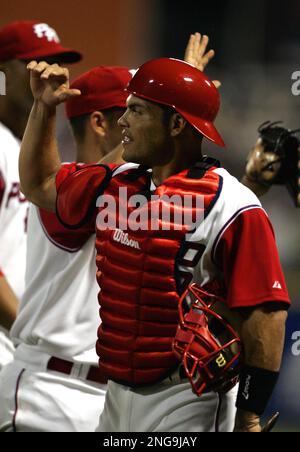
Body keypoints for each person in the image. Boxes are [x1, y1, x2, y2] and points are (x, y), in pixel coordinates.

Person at [19, 57, 290, 433]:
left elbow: (267, 314)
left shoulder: (234, 204)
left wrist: (249, 414)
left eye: (137, 111)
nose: (123, 122)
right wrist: (44, 108)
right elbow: (39, 185)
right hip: (113, 395)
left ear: (177, 124)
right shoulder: (115, 182)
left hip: (186, 397)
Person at [0, 66, 133, 432]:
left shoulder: (132, 192)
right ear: (100, 124)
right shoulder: (62, 187)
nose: (141, 121)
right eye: (134, 111)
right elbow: (91, 184)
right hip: (48, 394)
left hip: (111, 401)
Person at [0, 20, 81, 375]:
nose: (52, 73)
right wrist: (32, 334)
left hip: (15, 348)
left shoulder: (35, 155)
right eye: (35, 62)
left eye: (58, 62)